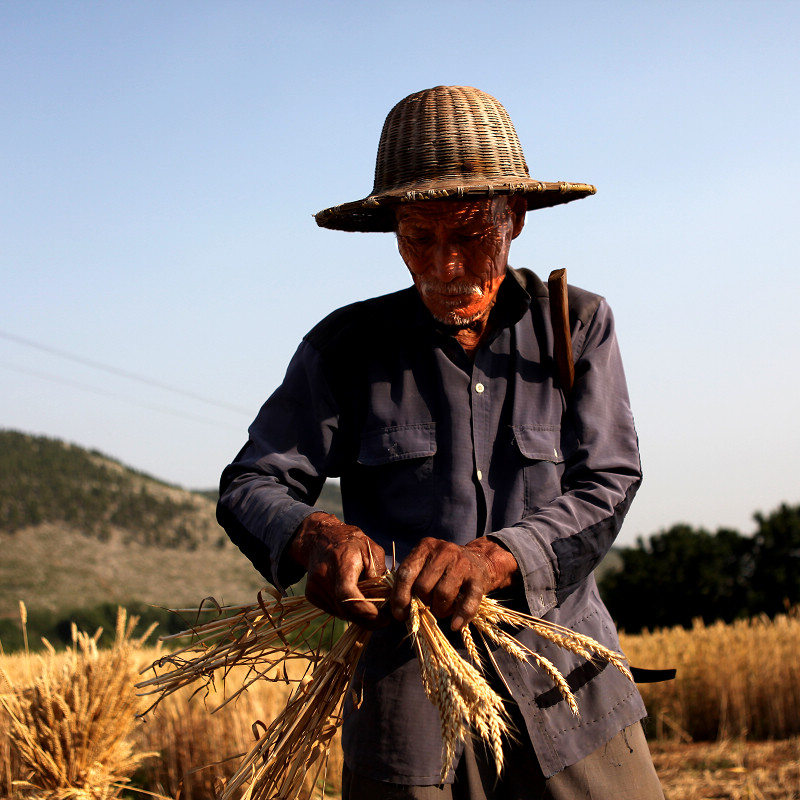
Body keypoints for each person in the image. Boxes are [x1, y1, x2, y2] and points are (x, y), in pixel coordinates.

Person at [217, 85, 664, 799]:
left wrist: (497, 557)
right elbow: (251, 483)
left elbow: (608, 481)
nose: (443, 266)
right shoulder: (346, 347)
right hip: (408, 697)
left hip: (565, 689)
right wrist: (317, 534)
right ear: (393, 227)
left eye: (468, 236)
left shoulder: (574, 324)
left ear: (513, 218)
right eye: (418, 239)